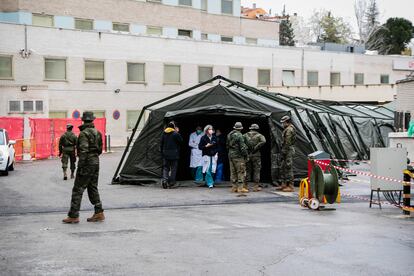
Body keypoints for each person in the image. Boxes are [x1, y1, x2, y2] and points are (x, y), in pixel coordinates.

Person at [62, 111, 104, 223]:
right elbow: (100, 150)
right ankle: (99, 212)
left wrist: (80, 166)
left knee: (78, 189)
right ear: (92, 120)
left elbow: (83, 151)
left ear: (83, 120)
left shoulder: (84, 133)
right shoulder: (98, 133)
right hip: (96, 161)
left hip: (86, 163)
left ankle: (73, 215)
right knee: (92, 187)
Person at [227, 122, 249, 193]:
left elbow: (227, 145)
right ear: (241, 128)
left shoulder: (229, 134)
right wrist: (246, 155)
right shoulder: (240, 135)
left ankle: (234, 187)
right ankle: (240, 188)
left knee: (233, 172)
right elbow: (242, 148)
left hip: (231, 155)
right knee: (240, 171)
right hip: (238, 156)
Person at [160, 121, 183, 189]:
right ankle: (171, 183)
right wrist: (178, 132)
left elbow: (161, 144)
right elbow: (181, 142)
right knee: (173, 169)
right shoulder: (175, 134)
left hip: (165, 154)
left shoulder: (163, 134)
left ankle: (164, 180)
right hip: (174, 154)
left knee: (165, 168)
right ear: (174, 127)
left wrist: (162, 153)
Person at [244, 124, 266, 192]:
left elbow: (241, 142)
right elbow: (264, 141)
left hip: (248, 154)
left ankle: (245, 186)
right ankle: (256, 186)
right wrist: (256, 148)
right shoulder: (260, 135)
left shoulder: (245, 135)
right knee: (256, 170)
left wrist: (246, 148)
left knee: (247, 170)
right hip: (256, 155)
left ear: (250, 128)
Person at [277, 115, 296, 192]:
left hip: (287, 150)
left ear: (287, 122)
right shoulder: (287, 129)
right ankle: (284, 184)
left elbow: (287, 142)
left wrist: (284, 150)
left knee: (288, 167)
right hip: (286, 149)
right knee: (283, 167)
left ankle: (290, 186)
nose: (282, 124)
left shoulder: (289, 130)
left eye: (283, 122)